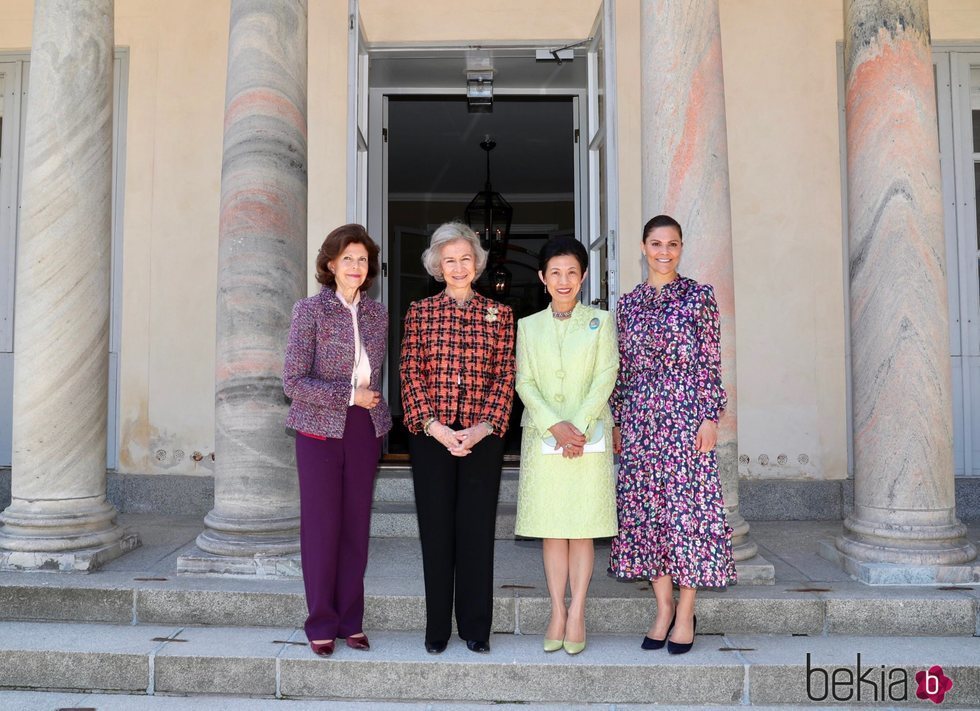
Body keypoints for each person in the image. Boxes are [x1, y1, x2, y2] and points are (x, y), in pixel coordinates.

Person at [608, 214, 736, 655]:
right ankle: (662, 609)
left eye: (673, 244)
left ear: (682, 248)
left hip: (685, 420)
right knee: (649, 517)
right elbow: (620, 371)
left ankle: (686, 613)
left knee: (687, 518)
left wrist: (710, 416)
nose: (664, 252)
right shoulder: (627, 304)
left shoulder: (699, 297)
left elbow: (710, 361)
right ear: (643, 247)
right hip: (642, 422)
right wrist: (619, 420)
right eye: (656, 243)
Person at [400, 221, 515, 655]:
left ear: (478, 263)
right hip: (432, 437)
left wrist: (483, 427)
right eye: (450, 260)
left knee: (476, 532)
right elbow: (409, 372)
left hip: (482, 439)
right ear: (436, 266)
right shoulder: (420, 312)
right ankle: (436, 629)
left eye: (466, 258)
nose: (459, 266)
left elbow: (507, 375)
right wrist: (438, 428)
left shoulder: (501, 315)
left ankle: (476, 628)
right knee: (437, 532)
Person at [282, 224, 392, 657]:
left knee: (355, 527)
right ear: (330, 264)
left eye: (363, 259)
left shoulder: (377, 313)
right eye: (347, 258)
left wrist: (364, 402)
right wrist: (348, 395)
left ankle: (351, 620)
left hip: (365, 427)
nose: (356, 266)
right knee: (322, 527)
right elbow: (292, 381)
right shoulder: (310, 310)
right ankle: (321, 622)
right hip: (319, 429)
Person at [514, 236, 618, 655]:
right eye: (555, 272)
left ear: (584, 276)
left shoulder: (601, 322)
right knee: (553, 529)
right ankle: (557, 609)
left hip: (589, 435)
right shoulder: (528, 326)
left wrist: (576, 427)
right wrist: (554, 426)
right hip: (543, 436)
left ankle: (578, 612)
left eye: (572, 272)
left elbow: (606, 374)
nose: (564, 280)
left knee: (582, 529)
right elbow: (525, 381)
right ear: (542, 278)